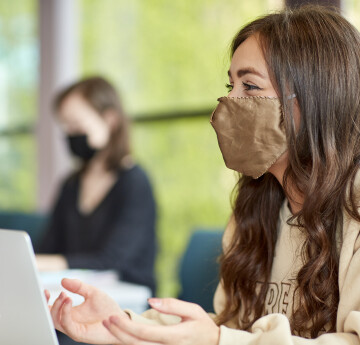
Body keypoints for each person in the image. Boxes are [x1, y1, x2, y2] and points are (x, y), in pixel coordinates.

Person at [47, 5, 360, 345]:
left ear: (318, 97)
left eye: (250, 87)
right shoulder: (256, 209)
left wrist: (217, 340)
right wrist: (117, 325)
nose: (227, 102)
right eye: (231, 85)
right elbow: (232, 328)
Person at [36, 77, 157, 294]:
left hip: (125, 302)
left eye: (76, 125)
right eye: (65, 126)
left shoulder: (135, 183)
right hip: (73, 293)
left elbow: (112, 260)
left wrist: (43, 263)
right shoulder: (71, 184)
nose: (69, 134)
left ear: (110, 120)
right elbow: (48, 246)